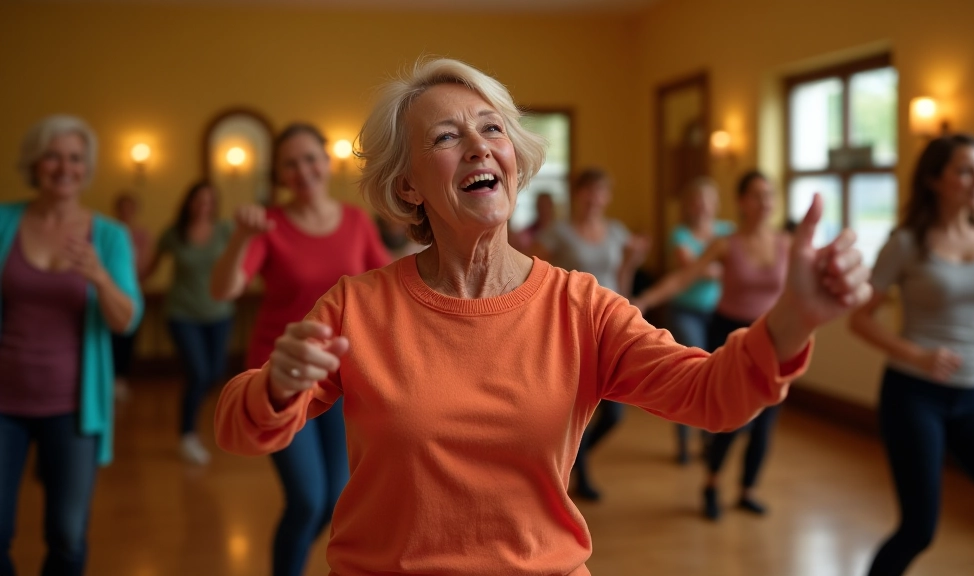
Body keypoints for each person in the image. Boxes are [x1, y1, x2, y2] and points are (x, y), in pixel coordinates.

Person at [213, 58, 871, 575]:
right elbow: (238, 430)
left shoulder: (580, 307)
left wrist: (794, 319)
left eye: (491, 128)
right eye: (446, 137)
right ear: (408, 185)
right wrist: (277, 386)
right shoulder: (358, 305)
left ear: (514, 159)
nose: (478, 146)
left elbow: (710, 395)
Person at [210, 123, 391, 576]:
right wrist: (241, 237)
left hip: (340, 375)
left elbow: (387, 285)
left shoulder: (356, 221)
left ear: (327, 163)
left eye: (310, 158)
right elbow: (223, 290)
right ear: (280, 175)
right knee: (307, 499)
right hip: (282, 376)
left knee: (333, 499)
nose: (303, 170)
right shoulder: (269, 226)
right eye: (290, 164)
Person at [849, 134, 974, 576]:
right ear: (933, 179)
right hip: (913, 394)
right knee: (918, 529)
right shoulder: (907, 243)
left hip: (971, 396)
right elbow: (860, 320)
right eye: (965, 170)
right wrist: (918, 355)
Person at [0, 115, 143, 576]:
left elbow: (126, 320)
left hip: (73, 406)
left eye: (75, 158)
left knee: (66, 533)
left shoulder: (109, 235)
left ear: (87, 167)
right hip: (4, 401)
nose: (65, 168)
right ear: (34, 164)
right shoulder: (4, 221)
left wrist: (99, 276)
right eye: (53, 157)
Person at [634, 170, 790, 520]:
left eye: (770, 195)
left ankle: (748, 489)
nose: (765, 202)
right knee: (735, 417)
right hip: (732, 334)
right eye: (757, 195)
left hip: (772, 339)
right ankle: (712, 483)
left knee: (766, 421)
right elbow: (683, 278)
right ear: (742, 202)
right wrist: (645, 299)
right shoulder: (726, 244)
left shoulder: (786, 244)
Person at [531, 167, 650, 501]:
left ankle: (574, 462)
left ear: (607, 197)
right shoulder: (557, 232)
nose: (594, 198)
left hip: (609, 326)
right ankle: (579, 473)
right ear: (577, 193)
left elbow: (622, 278)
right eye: (589, 190)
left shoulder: (616, 231)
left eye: (601, 191)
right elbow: (533, 274)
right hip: (570, 326)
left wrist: (632, 267)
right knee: (576, 410)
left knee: (613, 413)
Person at [145, 181, 235, 465]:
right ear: (189, 202)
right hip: (182, 314)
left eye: (209, 201)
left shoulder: (225, 231)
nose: (203, 206)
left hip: (219, 314)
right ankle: (187, 435)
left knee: (215, 373)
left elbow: (242, 262)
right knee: (198, 373)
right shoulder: (174, 234)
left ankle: (195, 421)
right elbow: (148, 269)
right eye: (198, 200)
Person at [666, 176, 734, 463]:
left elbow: (737, 266)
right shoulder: (680, 234)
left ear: (715, 203)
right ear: (688, 205)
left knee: (716, 375)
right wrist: (719, 267)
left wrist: (714, 267)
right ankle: (684, 440)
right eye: (696, 200)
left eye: (707, 200)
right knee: (692, 372)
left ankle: (708, 437)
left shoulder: (728, 231)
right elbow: (693, 268)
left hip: (720, 314)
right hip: (686, 313)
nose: (702, 206)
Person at [111, 191, 152, 402]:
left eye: (130, 208)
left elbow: (143, 268)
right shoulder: (107, 233)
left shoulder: (141, 236)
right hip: (109, 294)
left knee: (128, 340)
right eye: (123, 207)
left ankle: (121, 379)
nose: (126, 212)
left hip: (133, 295)